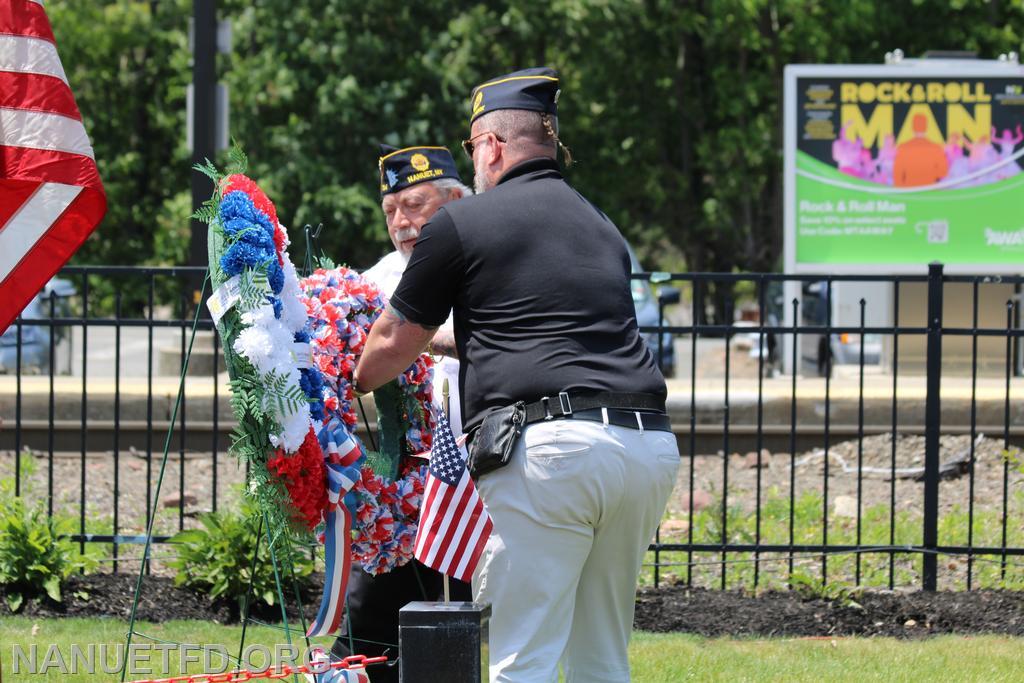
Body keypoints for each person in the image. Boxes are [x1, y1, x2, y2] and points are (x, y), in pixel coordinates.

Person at [353, 67, 680, 682]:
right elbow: (533, 329)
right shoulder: (600, 225)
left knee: (520, 658)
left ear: (494, 145)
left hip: (551, 453)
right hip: (645, 448)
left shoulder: (462, 224)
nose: (475, 160)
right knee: (601, 655)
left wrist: (351, 378)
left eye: (474, 145)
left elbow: (396, 340)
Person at [328, 144, 473, 683]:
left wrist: (412, 340)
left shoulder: (487, 260)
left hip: (473, 478)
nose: (402, 223)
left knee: (456, 626)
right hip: (400, 485)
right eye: (391, 211)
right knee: (366, 628)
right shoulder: (375, 282)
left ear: (456, 202)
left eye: (415, 205)